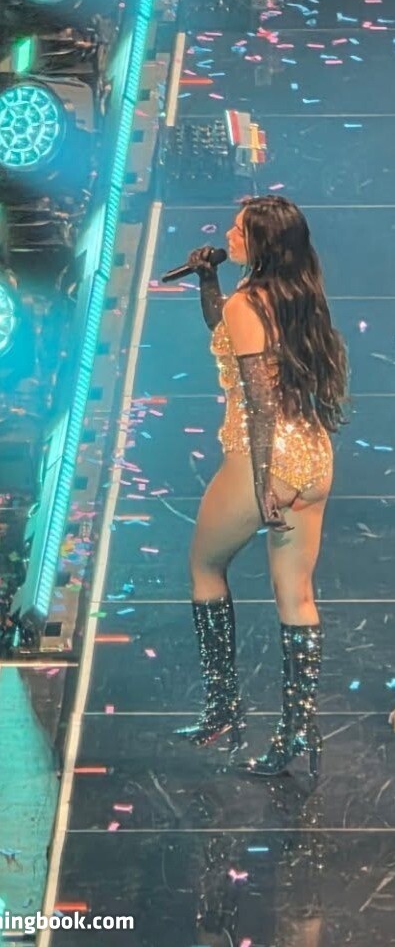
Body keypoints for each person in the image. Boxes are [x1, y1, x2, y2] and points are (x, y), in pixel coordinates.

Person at [175, 195, 350, 778]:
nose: (228, 233)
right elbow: (227, 335)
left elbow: (258, 401)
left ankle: (222, 705)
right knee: (296, 594)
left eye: (238, 230)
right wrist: (209, 279)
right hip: (313, 456)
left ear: (261, 243)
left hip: (266, 459)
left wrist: (259, 483)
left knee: (204, 567)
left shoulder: (247, 304)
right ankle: (298, 729)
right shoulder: (296, 294)